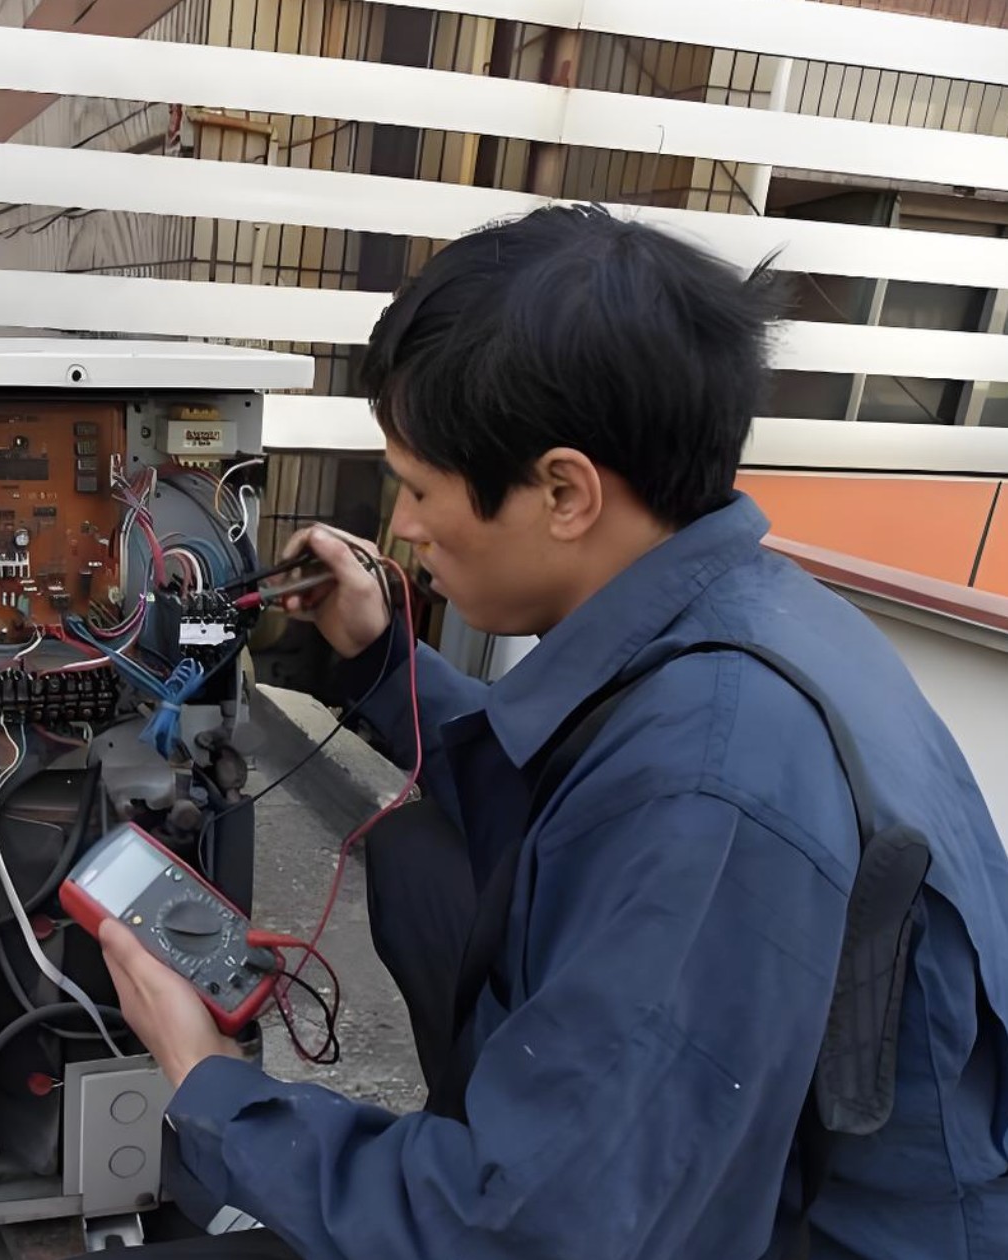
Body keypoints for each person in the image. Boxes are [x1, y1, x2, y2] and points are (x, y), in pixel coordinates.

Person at [97, 205, 1008, 1258]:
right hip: (715, 1173)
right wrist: (382, 658)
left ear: (565, 492)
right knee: (418, 855)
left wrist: (213, 1085)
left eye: (419, 488)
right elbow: (558, 779)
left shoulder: (713, 788)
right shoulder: (754, 613)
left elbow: (538, 1235)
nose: (403, 527)